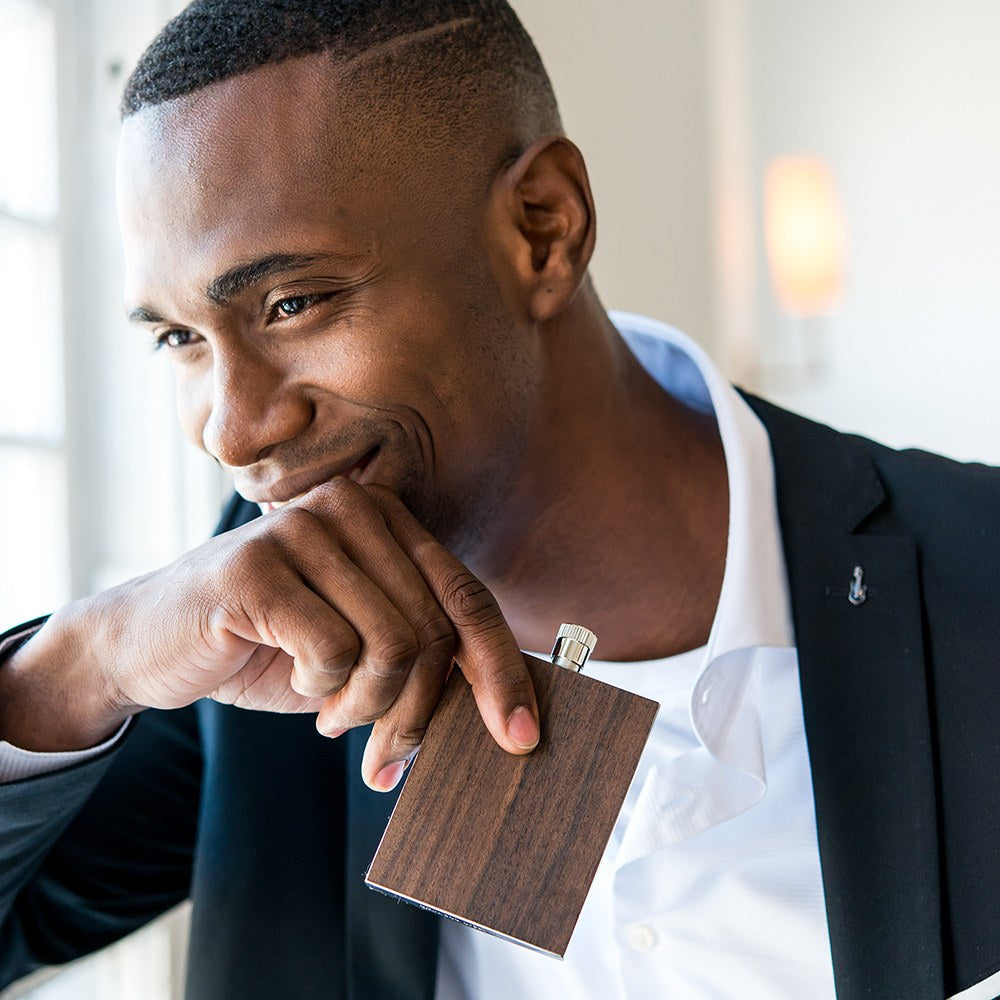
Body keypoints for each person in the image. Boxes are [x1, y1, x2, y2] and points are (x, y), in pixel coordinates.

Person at [0, 2, 997, 998]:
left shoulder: (974, 579)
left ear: (542, 229)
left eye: (291, 303)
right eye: (179, 338)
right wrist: (90, 656)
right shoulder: (268, 630)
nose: (230, 428)